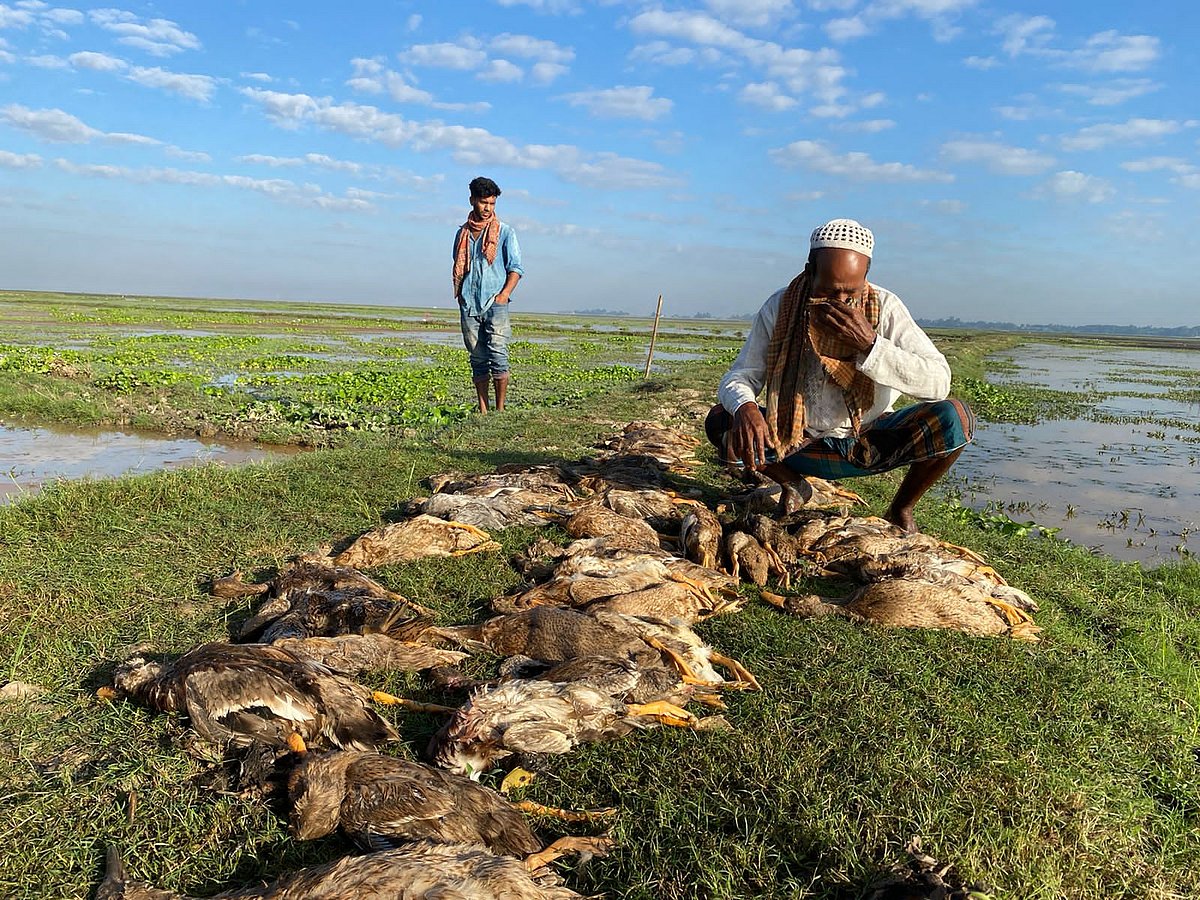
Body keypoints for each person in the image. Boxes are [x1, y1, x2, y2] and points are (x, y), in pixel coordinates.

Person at [707, 218, 973, 533]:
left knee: (955, 417)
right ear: (809, 271)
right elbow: (740, 376)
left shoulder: (886, 307)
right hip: (797, 442)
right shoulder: (780, 306)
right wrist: (746, 408)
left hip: (867, 441)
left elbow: (939, 381)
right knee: (722, 418)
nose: (840, 302)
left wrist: (870, 346)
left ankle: (901, 509)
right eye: (829, 291)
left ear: (866, 277)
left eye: (850, 292)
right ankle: (793, 483)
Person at [453, 176, 523, 413]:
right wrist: (461, 295)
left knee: (498, 354)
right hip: (469, 304)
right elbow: (459, 266)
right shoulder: (461, 234)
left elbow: (516, 268)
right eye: (484, 203)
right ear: (472, 200)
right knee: (477, 357)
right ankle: (483, 410)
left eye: (492, 204)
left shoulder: (505, 232)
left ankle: (500, 410)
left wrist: (503, 295)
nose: (487, 208)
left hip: (496, 303)